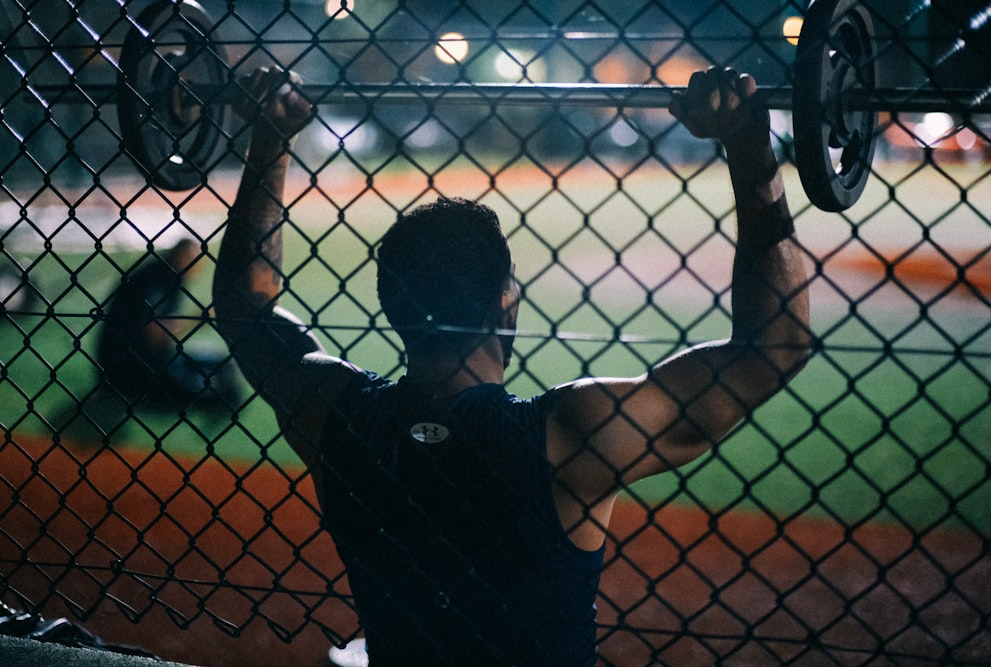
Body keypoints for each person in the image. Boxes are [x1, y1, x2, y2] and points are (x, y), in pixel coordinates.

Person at [213, 66, 811, 666]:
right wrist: (748, 142)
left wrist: (270, 140)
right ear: (506, 300)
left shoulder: (334, 413)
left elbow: (244, 305)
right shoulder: (570, 434)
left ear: (391, 304)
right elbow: (775, 347)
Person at [98, 238, 239, 410]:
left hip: (149, 358)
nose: (198, 268)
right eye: (195, 262)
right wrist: (198, 319)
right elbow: (155, 335)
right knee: (215, 395)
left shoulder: (167, 275)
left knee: (223, 366)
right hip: (129, 368)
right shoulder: (157, 280)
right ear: (181, 257)